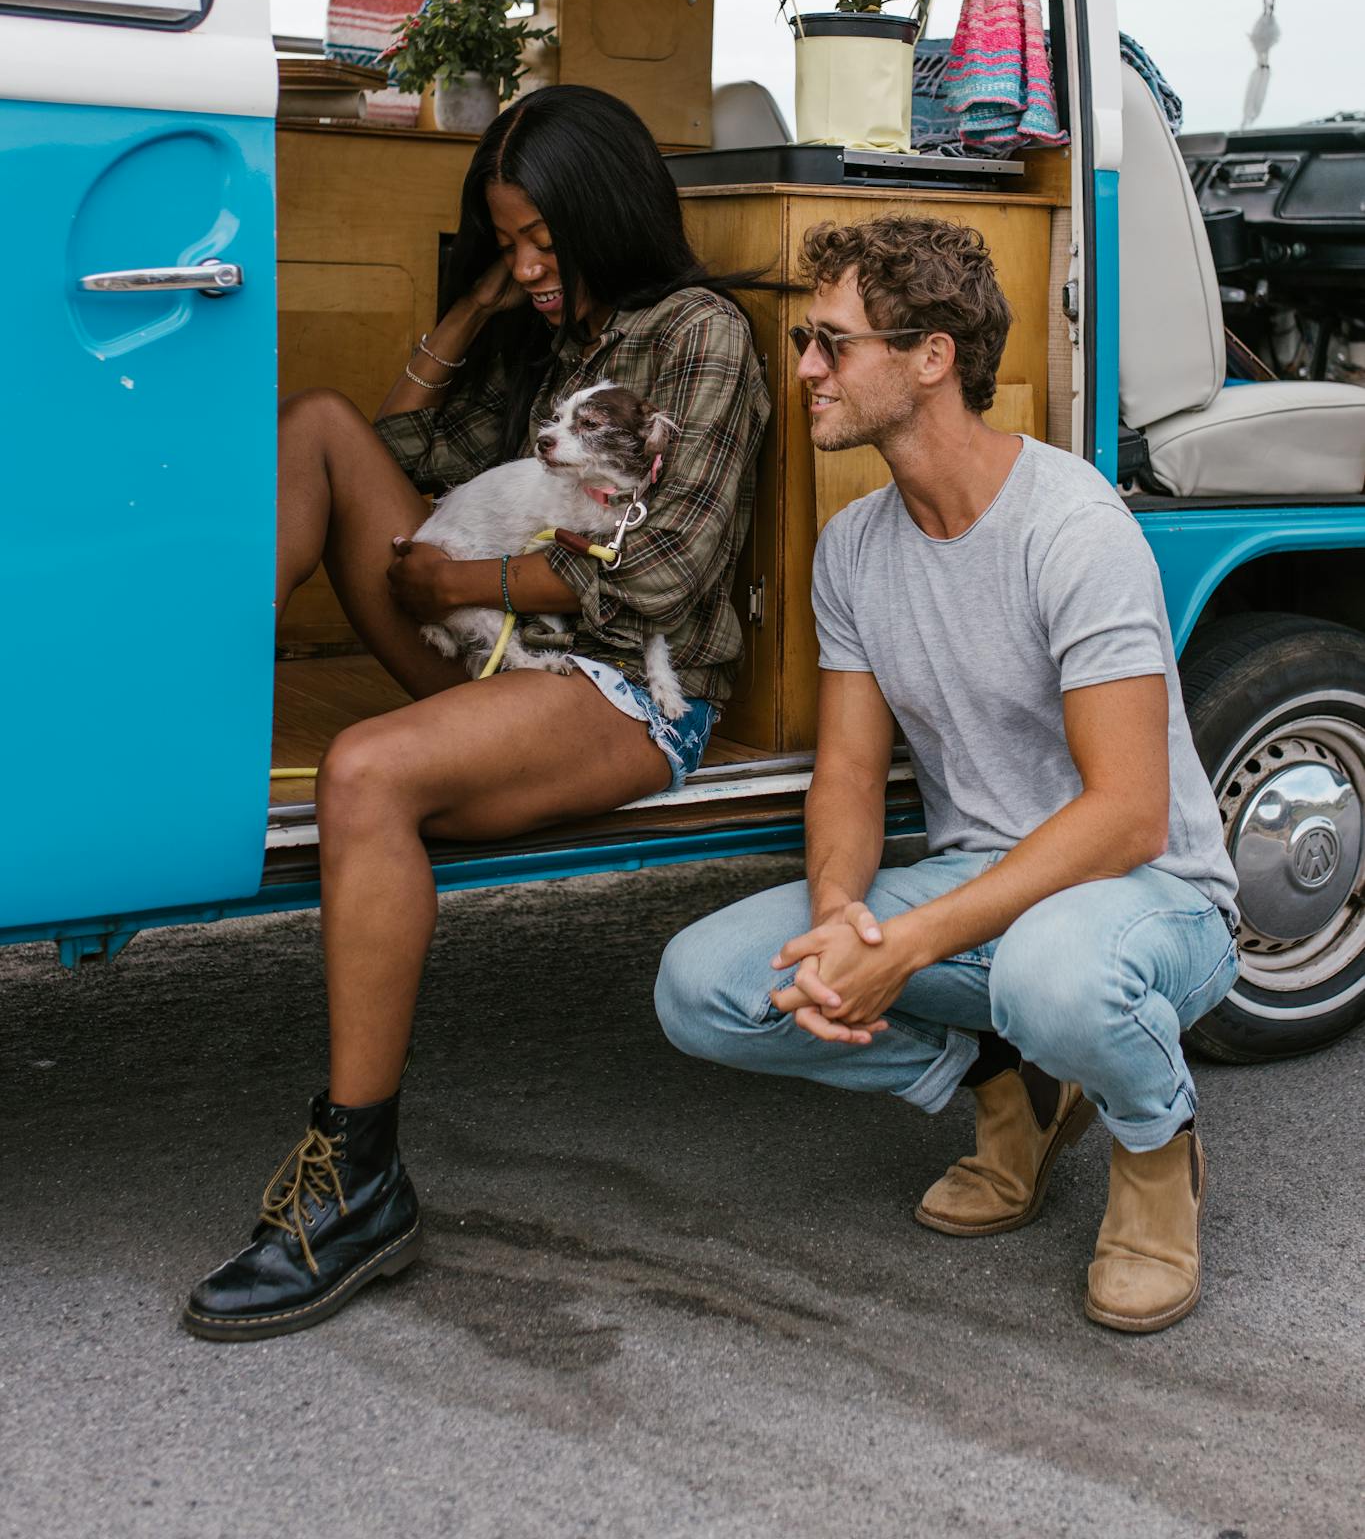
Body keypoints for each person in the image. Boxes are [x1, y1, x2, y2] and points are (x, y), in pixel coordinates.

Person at [184, 85, 770, 1341]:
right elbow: (408, 445)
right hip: (499, 652)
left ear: (608, 212)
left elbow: (665, 573)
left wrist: (468, 580)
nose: (529, 264)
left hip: (618, 686)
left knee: (363, 773)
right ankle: (182, 684)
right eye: (509, 240)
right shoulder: (557, 331)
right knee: (325, 429)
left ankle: (359, 1182)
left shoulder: (697, 334)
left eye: (544, 241)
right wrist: (479, 310)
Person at [655, 214, 1240, 1334]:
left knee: (1053, 977)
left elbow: (1124, 813)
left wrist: (909, 944)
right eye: (805, 342)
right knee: (707, 982)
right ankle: (1005, 1089)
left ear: (932, 357)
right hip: (986, 895)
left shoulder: (1072, 525)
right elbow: (848, 772)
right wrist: (840, 920)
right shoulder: (856, 546)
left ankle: (1157, 1148)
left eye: (833, 344)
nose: (808, 369)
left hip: (1155, 898)